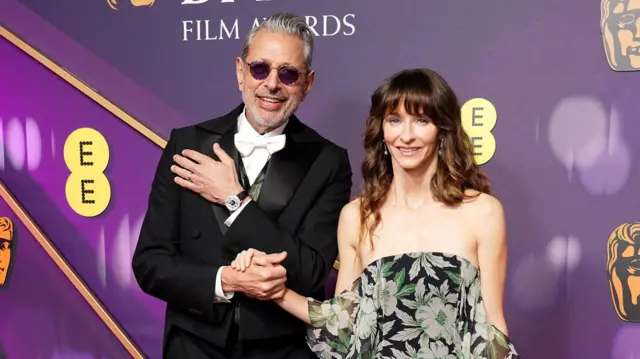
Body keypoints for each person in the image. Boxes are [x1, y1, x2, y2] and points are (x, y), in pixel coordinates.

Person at [231, 68, 520, 358]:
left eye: (421, 120)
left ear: (442, 131)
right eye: (395, 120)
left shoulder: (482, 212)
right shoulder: (357, 216)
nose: (406, 136)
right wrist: (276, 289)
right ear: (382, 131)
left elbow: (492, 329)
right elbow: (341, 324)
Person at [131, 12, 353, 359]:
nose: (272, 84)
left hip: (282, 350)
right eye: (260, 68)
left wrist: (235, 199)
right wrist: (225, 281)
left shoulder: (329, 162)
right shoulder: (187, 145)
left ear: (307, 84)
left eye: (288, 73)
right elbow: (150, 264)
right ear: (240, 71)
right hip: (193, 345)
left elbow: (309, 273)